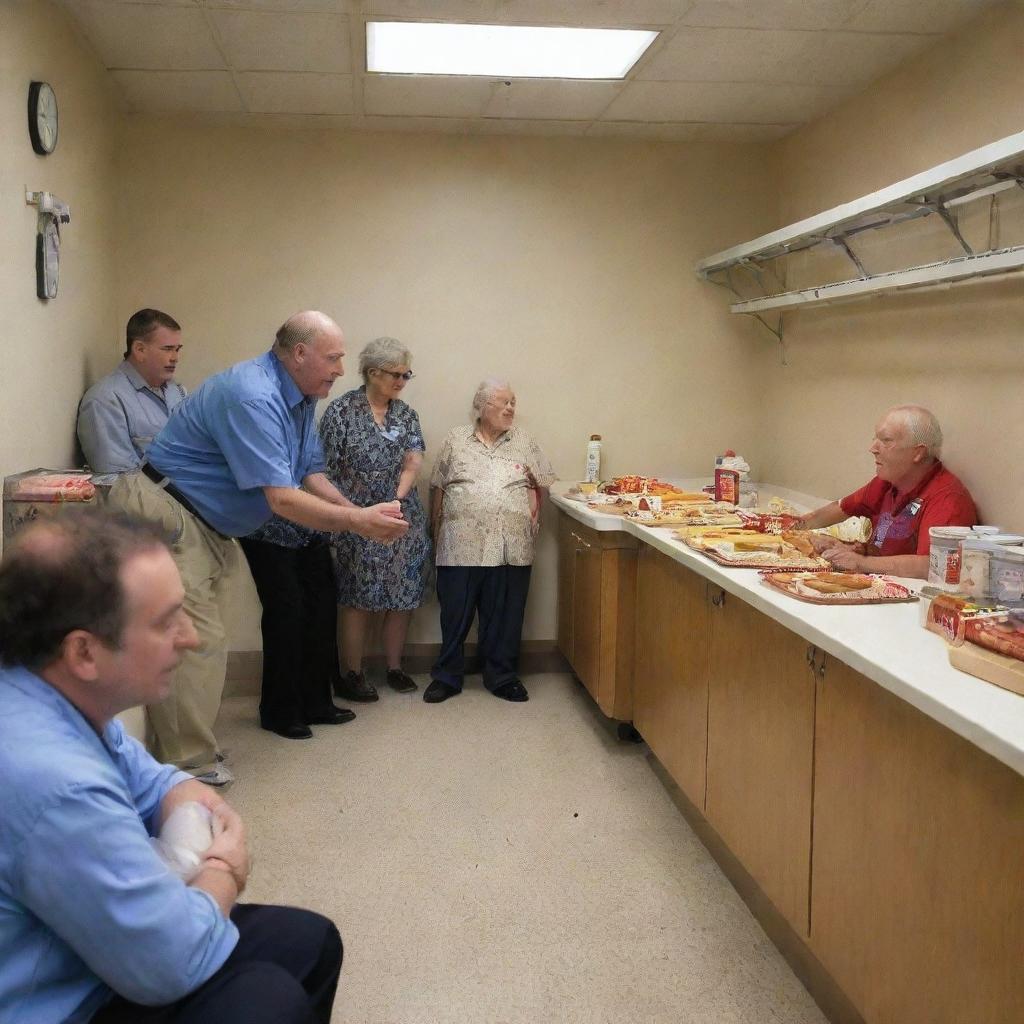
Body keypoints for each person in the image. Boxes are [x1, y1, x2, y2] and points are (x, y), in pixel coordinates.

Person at [0, 510, 343, 1024]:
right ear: (84, 652)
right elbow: (172, 961)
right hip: (65, 1000)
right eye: (166, 622)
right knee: (268, 1002)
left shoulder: (56, 690)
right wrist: (223, 870)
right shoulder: (54, 780)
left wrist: (187, 823)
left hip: (96, 950)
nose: (191, 638)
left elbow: (160, 782)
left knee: (311, 943)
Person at [108, 311, 408, 783]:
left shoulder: (302, 397)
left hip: (204, 523)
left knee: (202, 642)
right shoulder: (253, 394)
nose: (339, 369)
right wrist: (359, 523)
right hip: (170, 513)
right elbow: (281, 497)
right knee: (197, 643)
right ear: (299, 353)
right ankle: (187, 770)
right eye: (333, 358)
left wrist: (360, 513)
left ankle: (191, 752)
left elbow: (309, 474)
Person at [424, 379, 555, 704]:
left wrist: (531, 514)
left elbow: (543, 483)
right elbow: (437, 486)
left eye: (513, 402)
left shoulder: (524, 441)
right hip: (459, 544)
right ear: (482, 407)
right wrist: (435, 532)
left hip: (511, 545)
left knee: (507, 616)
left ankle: (502, 675)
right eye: (503, 402)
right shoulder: (456, 439)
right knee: (454, 615)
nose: (511, 408)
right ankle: (447, 676)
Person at [319, 337, 431, 702]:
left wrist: (396, 500)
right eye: (395, 374)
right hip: (357, 518)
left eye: (406, 374)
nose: (401, 381)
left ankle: (395, 667)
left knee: (402, 594)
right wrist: (348, 514)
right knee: (358, 597)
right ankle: (351, 672)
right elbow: (326, 469)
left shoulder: (406, 413)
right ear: (372, 373)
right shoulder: (340, 412)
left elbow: (414, 459)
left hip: (401, 517)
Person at [798, 405, 977, 579]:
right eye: (875, 439)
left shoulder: (948, 498)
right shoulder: (888, 481)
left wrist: (860, 562)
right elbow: (837, 509)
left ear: (918, 453)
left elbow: (931, 565)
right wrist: (795, 529)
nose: (873, 449)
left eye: (886, 441)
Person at [77, 309, 187, 481]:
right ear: (139, 349)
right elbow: (117, 484)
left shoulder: (176, 391)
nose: (175, 358)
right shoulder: (105, 400)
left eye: (177, 349)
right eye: (167, 349)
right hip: (149, 505)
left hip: (188, 499)